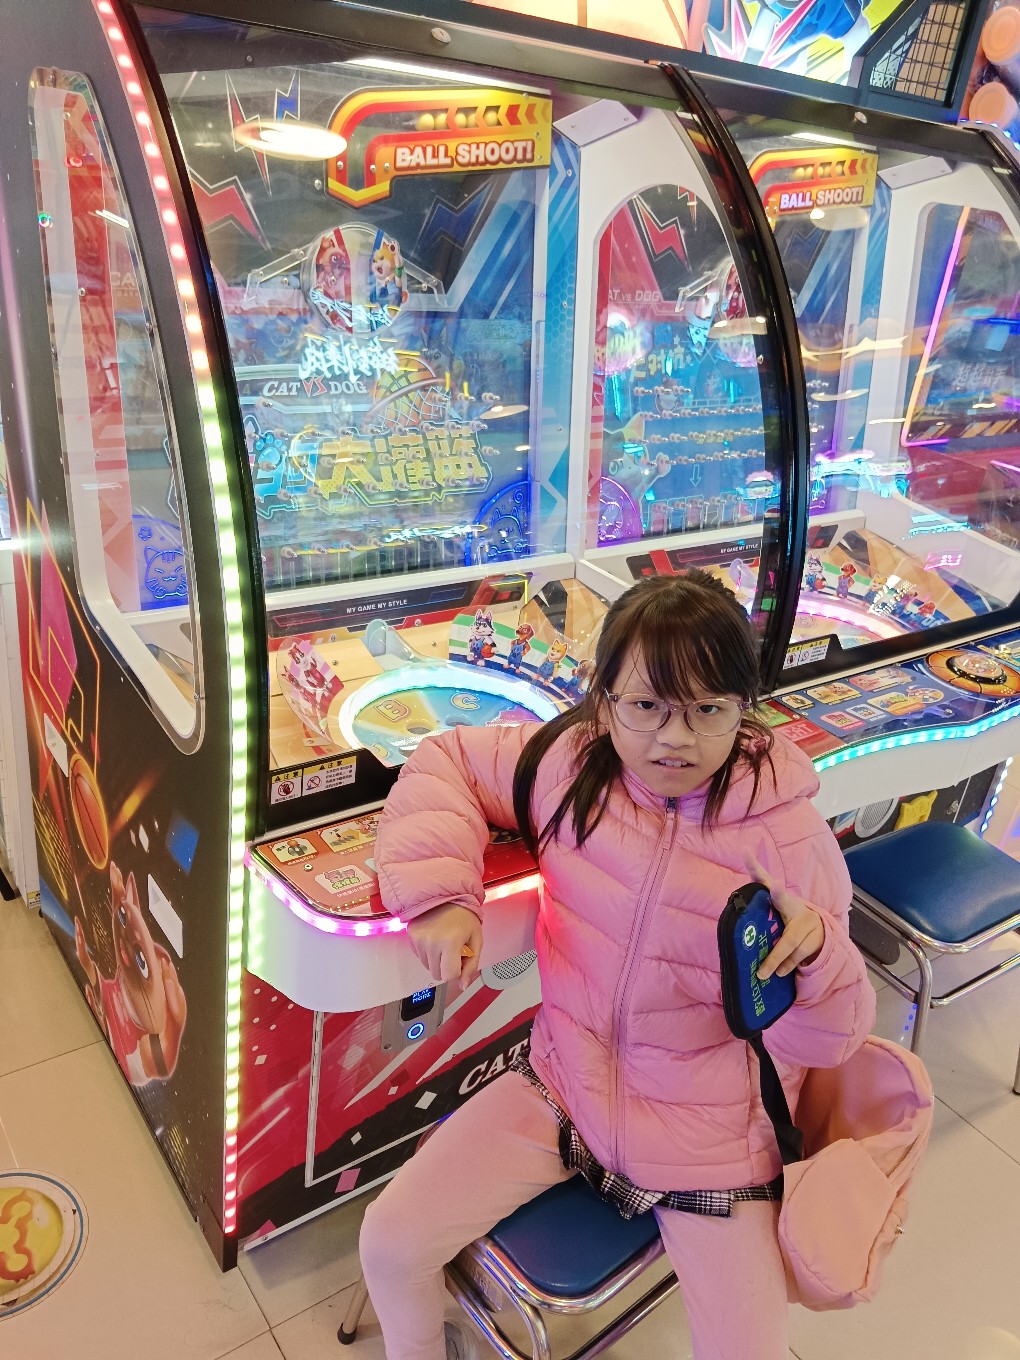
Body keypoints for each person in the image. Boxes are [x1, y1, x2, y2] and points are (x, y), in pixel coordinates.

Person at [360, 571, 875, 1360]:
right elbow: (447, 760)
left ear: (744, 710)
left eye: (707, 709)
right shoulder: (567, 766)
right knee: (390, 1240)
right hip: (565, 1089)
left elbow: (834, 1041)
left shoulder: (790, 840)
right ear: (602, 703)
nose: (676, 738)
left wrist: (820, 962)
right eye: (646, 706)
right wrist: (439, 897)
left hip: (712, 1146)